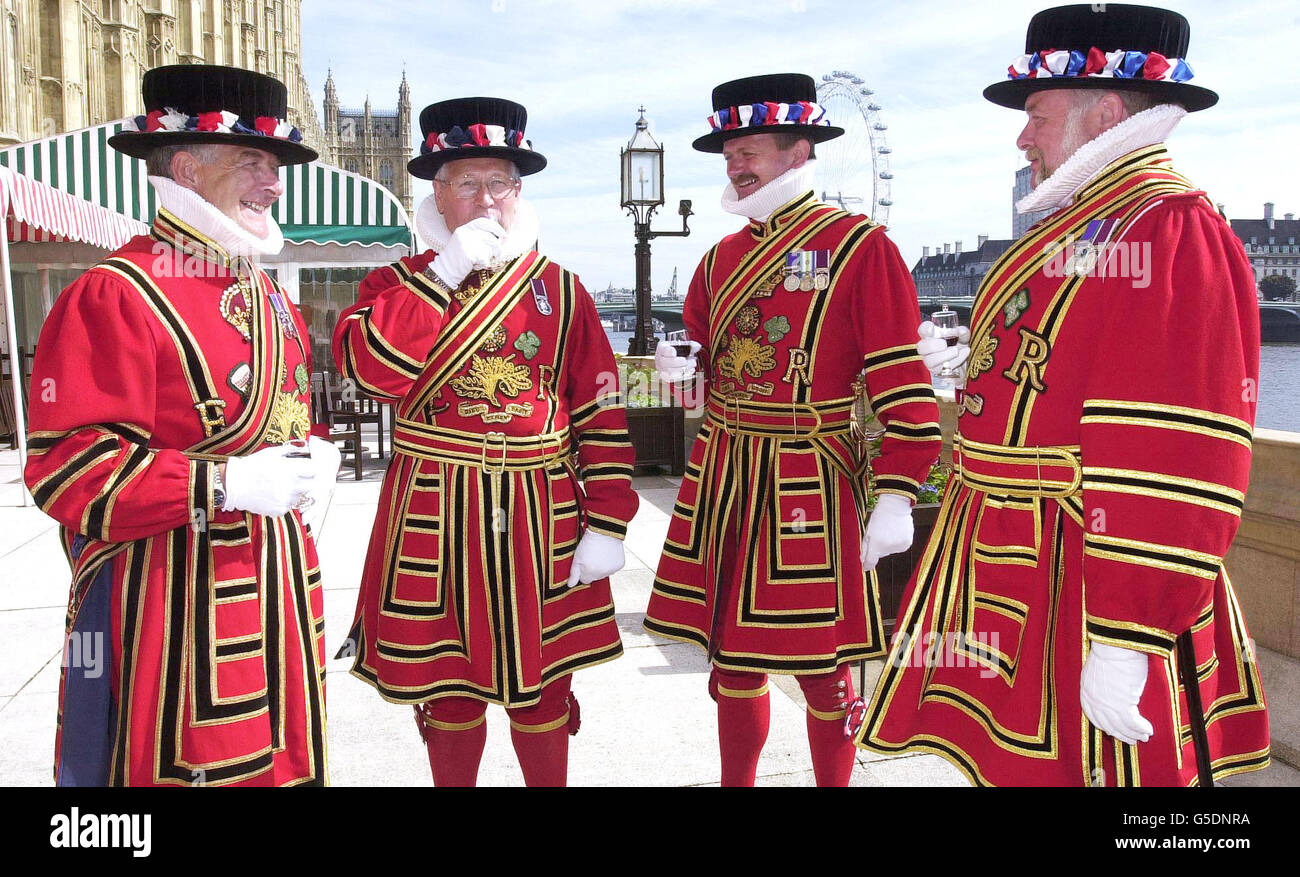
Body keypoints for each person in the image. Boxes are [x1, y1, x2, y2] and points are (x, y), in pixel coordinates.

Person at [858, 4, 1270, 786]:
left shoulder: (1170, 229)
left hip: (1087, 578)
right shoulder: (1098, 223)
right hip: (1020, 558)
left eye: (1036, 116)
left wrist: (1128, 634)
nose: (1022, 137)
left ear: (1107, 113)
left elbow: (1179, 451)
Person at [25, 65, 338, 786]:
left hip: (280, 595)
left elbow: (277, 417)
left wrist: (306, 458)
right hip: (174, 611)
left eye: (275, 165)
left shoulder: (265, 292)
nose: (274, 183)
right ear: (189, 169)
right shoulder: (114, 293)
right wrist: (220, 481)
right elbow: (66, 467)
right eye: (254, 162)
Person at [643, 74, 941, 786]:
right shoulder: (717, 260)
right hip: (725, 476)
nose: (735, 165)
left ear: (798, 149)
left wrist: (898, 492)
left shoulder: (860, 249)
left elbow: (905, 385)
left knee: (825, 667)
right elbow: (700, 379)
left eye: (749, 149)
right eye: (728, 154)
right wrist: (678, 372)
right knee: (732, 663)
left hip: (810, 477)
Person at [333, 97, 637, 787]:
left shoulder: (562, 288)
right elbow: (366, 368)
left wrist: (611, 519)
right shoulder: (394, 284)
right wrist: (443, 273)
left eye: (497, 182)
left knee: (542, 688)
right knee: (449, 691)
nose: (484, 199)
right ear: (436, 192)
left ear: (518, 190)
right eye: (466, 182)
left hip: (541, 511)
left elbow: (601, 407)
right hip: (434, 511)